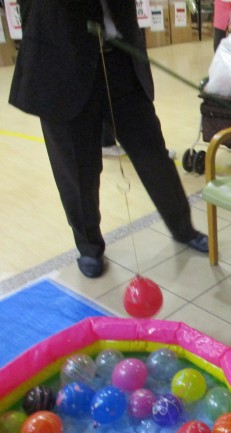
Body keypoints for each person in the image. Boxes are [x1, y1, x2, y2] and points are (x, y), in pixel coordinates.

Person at [9, 0, 209, 278]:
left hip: (120, 62)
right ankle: (89, 247)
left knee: (153, 155)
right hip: (61, 68)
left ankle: (183, 228)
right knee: (77, 172)